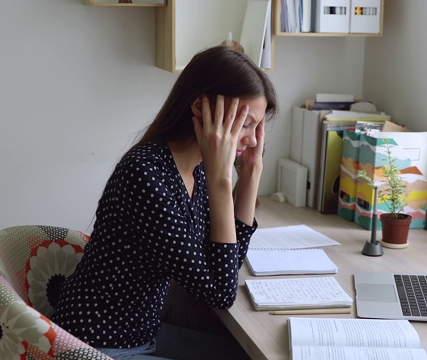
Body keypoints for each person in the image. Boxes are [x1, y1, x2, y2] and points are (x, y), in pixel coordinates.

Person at [51, 45, 278, 359]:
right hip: (99, 347)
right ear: (201, 107)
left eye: (257, 128)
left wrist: (251, 171)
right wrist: (222, 178)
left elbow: (225, 263)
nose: (253, 140)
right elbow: (220, 292)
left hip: (141, 333)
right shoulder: (146, 174)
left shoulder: (194, 170)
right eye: (244, 124)